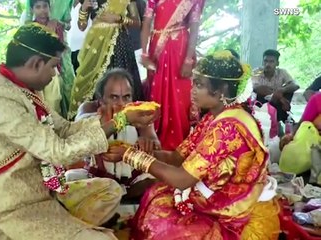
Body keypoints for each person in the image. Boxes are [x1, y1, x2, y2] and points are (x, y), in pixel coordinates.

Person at [0, 23, 159, 240]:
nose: (57, 73)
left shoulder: (23, 90)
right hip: (9, 207)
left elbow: (64, 129)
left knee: (110, 191)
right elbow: (58, 152)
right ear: (36, 63)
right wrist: (118, 122)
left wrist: (113, 120)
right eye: (54, 66)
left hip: (42, 193)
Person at [107, 51, 281, 239]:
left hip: (233, 210)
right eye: (194, 83)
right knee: (156, 195)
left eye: (199, 85)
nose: (192, 90)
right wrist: (136, 150)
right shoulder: (212, 118)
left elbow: (182, 179)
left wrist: (129, 156)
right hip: (211, 192)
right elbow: (175, 158)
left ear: (221, 90)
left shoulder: (228, 127)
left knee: (163, 225)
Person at [75, 68, 159, 200]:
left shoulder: (137, 112)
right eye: (114, 97)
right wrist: (104, 120)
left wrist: (146, 142)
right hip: (96, 178)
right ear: (101, 99)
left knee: (156, 184)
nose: (121, 104)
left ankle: (120, 196)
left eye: (126, 97)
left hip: (132, 180)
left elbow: (154, 142)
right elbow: (79, 130)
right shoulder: (89, 108)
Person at [140, 0, 205, 150]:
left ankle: (178, 147)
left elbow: (194, 28)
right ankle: (155, 145)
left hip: (179, 51)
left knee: (180, 100)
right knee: (156, 96)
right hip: (157, 50)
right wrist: (144, 53)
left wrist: (189, 59)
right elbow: (146, 23)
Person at [67, 0, 144, 120]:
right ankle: (97, 125)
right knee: (95, 86)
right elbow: (82, 26)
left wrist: (119, 18)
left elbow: (137, 22)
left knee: (121, 85)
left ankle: (127, 123)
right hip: (95, 48)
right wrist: (83, 8)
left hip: (119, 46)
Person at [30, 0, 75, 117]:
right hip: (35, 72)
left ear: (49, 8)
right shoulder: (29, 29)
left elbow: (59, 50)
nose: (42, 11)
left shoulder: (57, 26)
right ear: (32, 10)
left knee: (53, 102)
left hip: (52, 70)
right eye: (38, 7)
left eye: (45, 6)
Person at [251, 49, 300, 122]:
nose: (267, 64)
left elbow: (295, 85)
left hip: (277, 104)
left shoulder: (282, 72)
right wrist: (281, 98)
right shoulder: (256, 72)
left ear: (277, 63)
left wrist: (282, 90)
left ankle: (278, 118)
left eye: (271, 61)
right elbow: (256, 88)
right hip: (262, 104)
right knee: (259, 92)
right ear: (262, 62)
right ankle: (284, 117)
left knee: (288, 90)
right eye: (265, 61)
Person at [68, 0, 93, 73]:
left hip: (84, 50)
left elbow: (82, 27)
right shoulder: (66, 4)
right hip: (69, 49)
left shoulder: (89, 2)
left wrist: (84, 8)